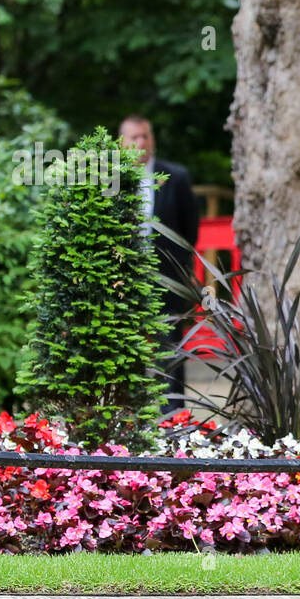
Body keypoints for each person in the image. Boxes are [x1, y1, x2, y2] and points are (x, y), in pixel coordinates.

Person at [118, 114, 200, 414]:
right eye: (134, 138)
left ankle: (174, 419)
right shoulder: (114, 179)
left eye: (146, 136)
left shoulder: (175, 177)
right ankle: (131, 418)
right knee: (128, 350)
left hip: (167, 279)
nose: (141, 143)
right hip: (126, 281)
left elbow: (189, 231)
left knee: (171, 352)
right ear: (121, 143)